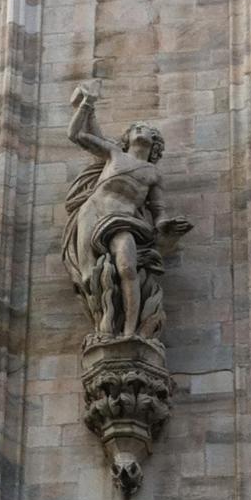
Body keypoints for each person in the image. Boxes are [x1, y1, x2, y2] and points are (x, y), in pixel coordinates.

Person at [63, 81, 192, 337]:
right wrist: (86, 104)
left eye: (147, 129)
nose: (142, 129)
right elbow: (75, 135)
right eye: (138, 127)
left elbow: (158, 210)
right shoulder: (113, 153)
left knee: (127, 268)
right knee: (90, 277)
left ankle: (130, 330)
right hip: (93, 212)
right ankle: (106, 327)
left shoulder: (153, 174)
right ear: (128, 137)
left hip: (124, 220)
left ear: (155, 144)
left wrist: (166, 226)